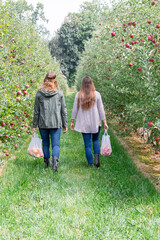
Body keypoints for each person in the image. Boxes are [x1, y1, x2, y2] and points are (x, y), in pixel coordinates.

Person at [32, 71, 67, 171]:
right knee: (55, 145)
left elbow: (36, 111)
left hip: (43, 123)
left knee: (45, 144)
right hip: (56, 123)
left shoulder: (39, 93)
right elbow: (63, 110)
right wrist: (65, 125)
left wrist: (34, 125)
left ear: (45, 79)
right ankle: (55, 164)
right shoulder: (59, 93)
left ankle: (47, 163)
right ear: (55, 79)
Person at [70, 76, 108, 167]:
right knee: (95, 140)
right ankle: (97, 161)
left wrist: (72, 121)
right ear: (91, 83)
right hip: (95, 122)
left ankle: (90, 163)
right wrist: (105, 122)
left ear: (82, 84)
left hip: (84, 123)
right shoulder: (97, 94)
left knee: (87, 145)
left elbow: (75, 109)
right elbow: (101, 109)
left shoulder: (79, 95)